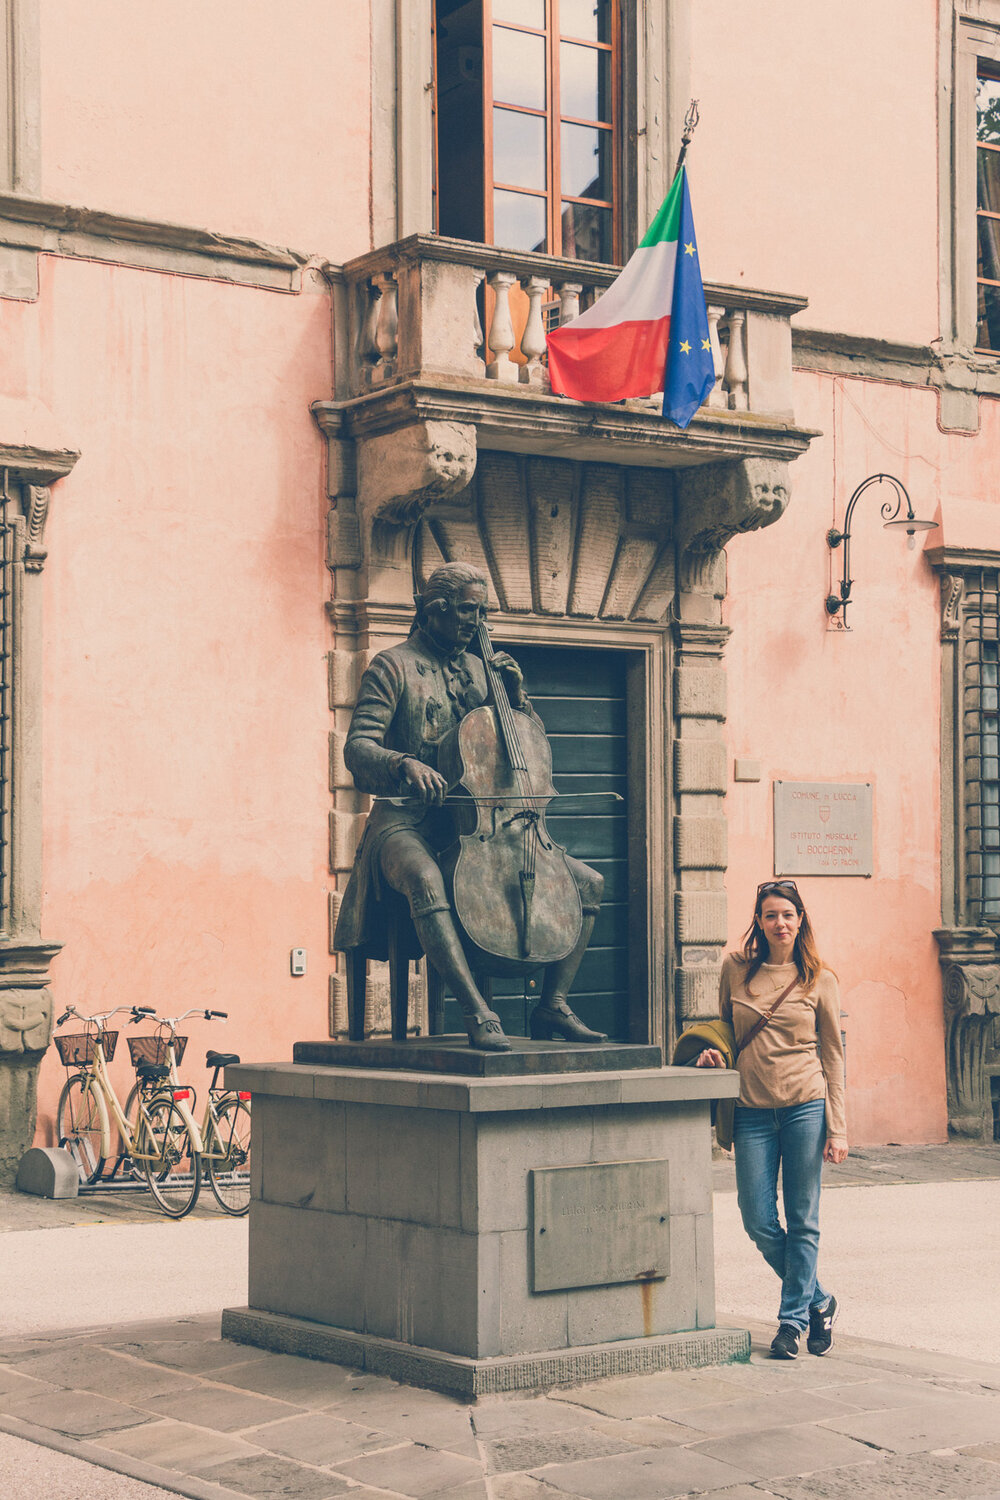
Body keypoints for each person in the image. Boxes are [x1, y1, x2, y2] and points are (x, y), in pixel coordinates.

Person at [333, 561, 606, 1052]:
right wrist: (403, 764)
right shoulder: (392, 666)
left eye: (481, 613)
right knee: (424, 879)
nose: (476, 624)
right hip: (407, 819)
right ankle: (477, 1009)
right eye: (465, 612)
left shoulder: (484, 670)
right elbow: (357, 747)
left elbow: (523, 746)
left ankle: (554, 1003)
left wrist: (518, 698)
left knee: (588, 882)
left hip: (485, 823)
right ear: (433, 611)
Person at [696, 879, 847, 1360]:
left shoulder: (820, 979)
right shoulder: (736, 969)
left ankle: (791, 1323)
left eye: (787, 914)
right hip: (751, 1112)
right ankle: (820, 1300)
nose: (779, 923)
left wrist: (837, 1127)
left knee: (804, 1220)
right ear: (758, 922)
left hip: (805, 1105)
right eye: (770, 915)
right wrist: (710, 1055)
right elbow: (722, 1030)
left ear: (800, 919)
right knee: (757, 1218)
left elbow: (834, 1056)